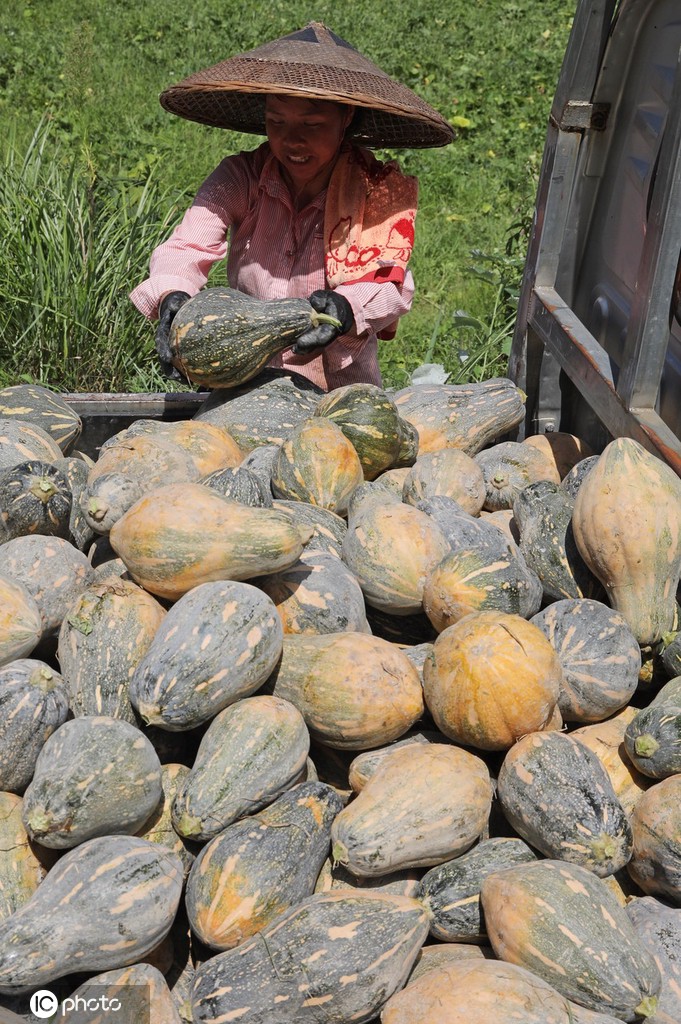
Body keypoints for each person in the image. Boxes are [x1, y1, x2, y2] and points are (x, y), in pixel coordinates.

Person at [130, 22, 454, 391]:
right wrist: (173, 293)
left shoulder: (375, 191)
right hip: (242, 385)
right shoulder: (241, 177)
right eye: (276, 122)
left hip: (338, 393)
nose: (291, 140)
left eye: (312, 124)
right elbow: (187, 246)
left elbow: (390, 284)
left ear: (345, 118)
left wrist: (346, 309)